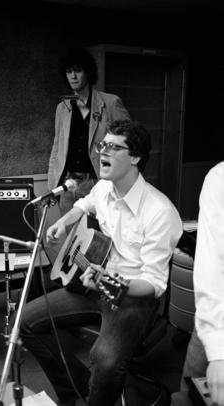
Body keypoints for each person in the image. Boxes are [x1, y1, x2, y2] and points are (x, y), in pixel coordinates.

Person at [20, 120, 182, 406]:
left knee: (105, 361)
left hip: (131, 296)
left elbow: (154, 284)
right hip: (93, 285)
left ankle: (99, 392)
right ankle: (80, 391)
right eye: (102, 145)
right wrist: (64, 220)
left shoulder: (159, 212)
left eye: (112, 147)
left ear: (135, 157)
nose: (102, 152)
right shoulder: (103, 188)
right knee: (25, 322)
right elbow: (85, 204)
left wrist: (108, 282)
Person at [47, 48, 130, 215]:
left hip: (97, 183)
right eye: (69, 71)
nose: (73, 76)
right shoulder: (62, 108)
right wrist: (52, 185)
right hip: (68, 185)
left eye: (78, 70)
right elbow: (57, 148)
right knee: (71, 238)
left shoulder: (110, 103)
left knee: (98, 238)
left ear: (88, 72)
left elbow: (130, 144)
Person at [181, 162, 224, 406]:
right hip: (218, 316)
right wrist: (219, 354)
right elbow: (212, 265)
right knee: (187, 398)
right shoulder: (220, 179)